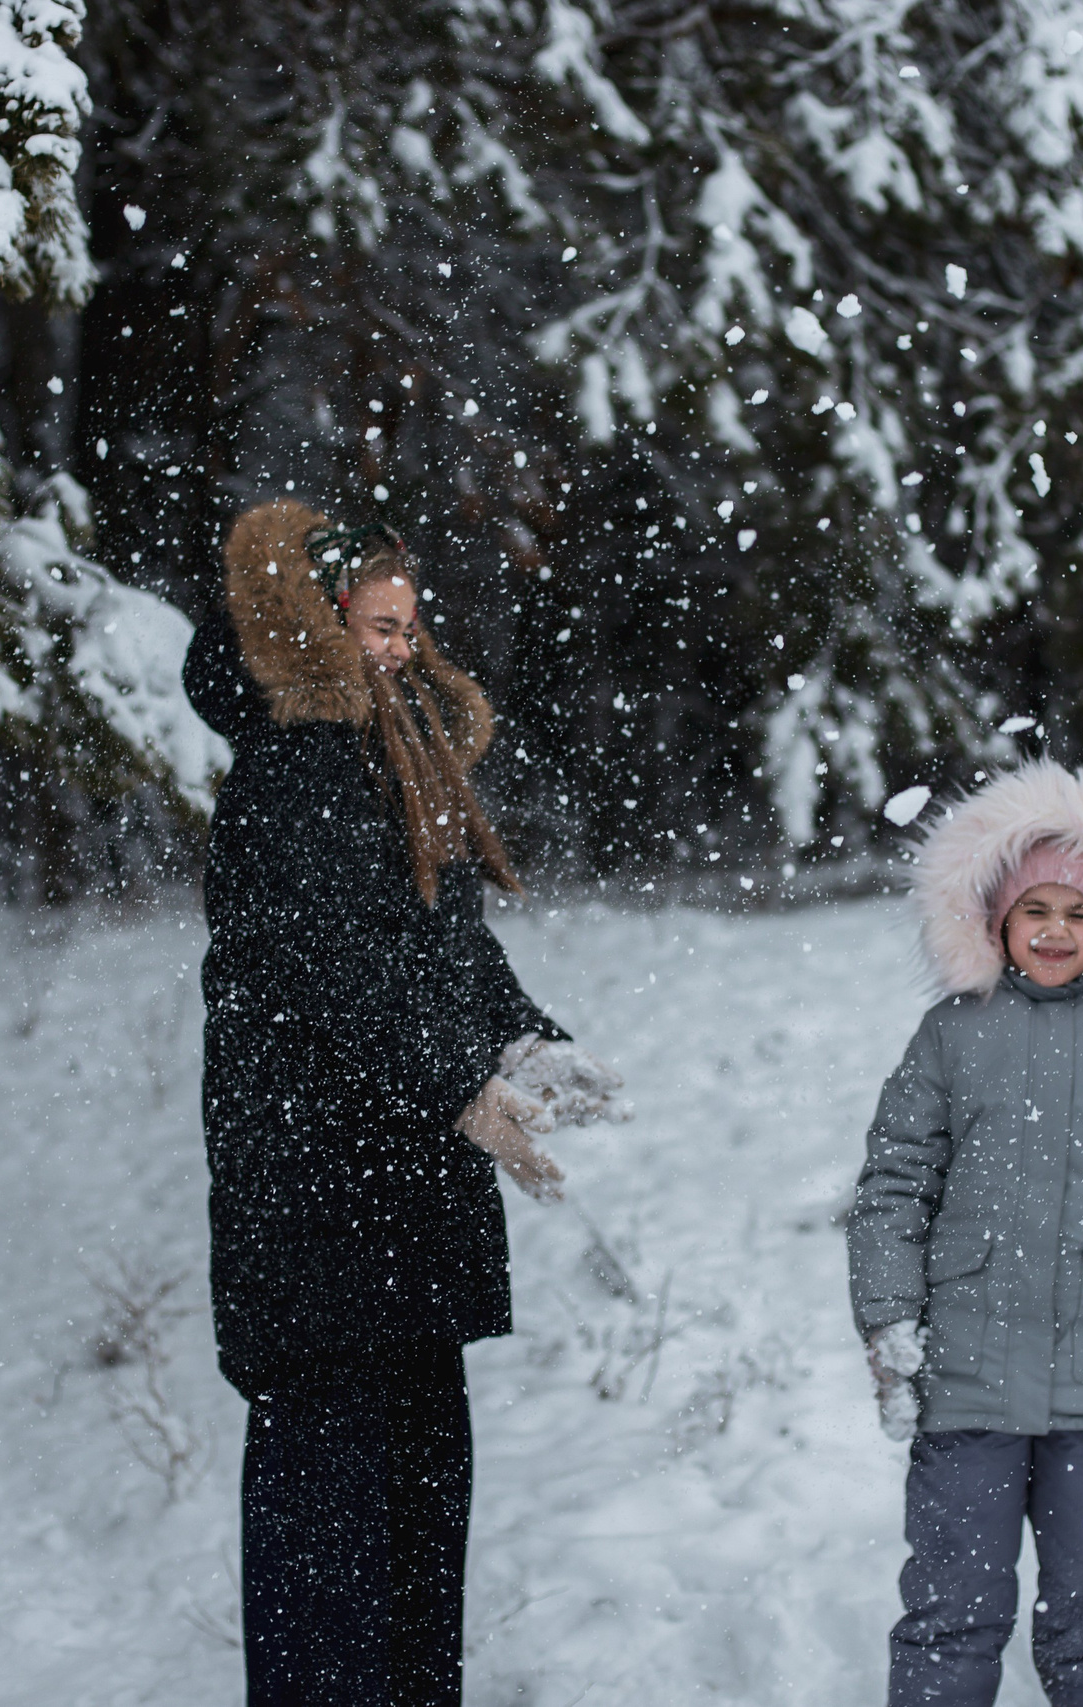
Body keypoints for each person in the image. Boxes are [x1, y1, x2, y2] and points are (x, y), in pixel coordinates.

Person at [182, 498, 624, 1707]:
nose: (399, 648)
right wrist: (457, 1083)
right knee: (329, 1548)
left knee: (417, 1540)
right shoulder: (290, 770)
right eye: (377, 626)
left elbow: (438, 949)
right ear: (312, 626)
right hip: (317, 1215)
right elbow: (336, 961)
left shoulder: (385, 757)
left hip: (401, 1211)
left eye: (409, 626)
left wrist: (521, 1044)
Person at [847, 760, 1083, 1707]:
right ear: (994, 922)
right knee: (951, 1606)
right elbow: (893, 1189)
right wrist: (891, 1320)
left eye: (1077, 913)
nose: (1055, 930)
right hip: (968, 1376)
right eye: (1035, 911)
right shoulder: (951, 1034)